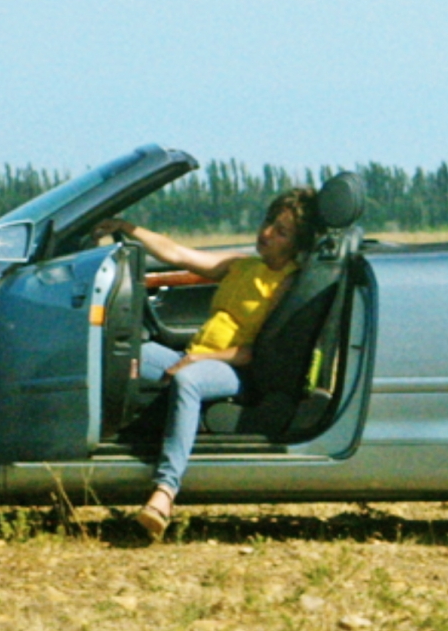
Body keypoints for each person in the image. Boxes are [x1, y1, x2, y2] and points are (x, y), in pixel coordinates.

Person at [99, 185, 320, 539]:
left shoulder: (288, 281)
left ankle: (164, 492)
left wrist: (199, 360)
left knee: (190, 381)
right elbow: (178, 255)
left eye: (281, 232)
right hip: (196, 356)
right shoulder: (243, 265)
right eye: (267, 222)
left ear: (297, 243)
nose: (265, 234)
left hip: (236, 370)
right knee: (118, 351)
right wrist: (127, 228)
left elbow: (254, 353)